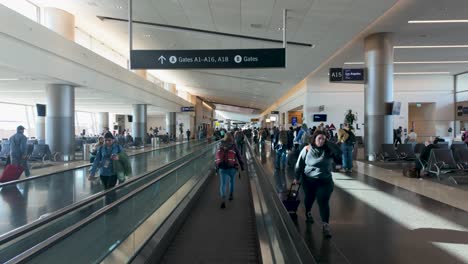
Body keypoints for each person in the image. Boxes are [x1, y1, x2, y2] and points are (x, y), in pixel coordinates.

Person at [293, 130, 341, 238]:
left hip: (325, 181)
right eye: (319, 138)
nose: (321, 141)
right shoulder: (307, 149)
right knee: (309, 198)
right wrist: (296, 177)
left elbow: (339, 155)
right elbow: (299, 164)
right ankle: (308, 212)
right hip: (309, 180)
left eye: (323, 139)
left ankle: (325, 225)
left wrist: (329, 144)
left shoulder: (329, 150)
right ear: (314, 138)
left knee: (323, 201)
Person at [215, 133, 244, 209]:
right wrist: (242, 166)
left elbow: (217, 156)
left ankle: (223, 199)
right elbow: (239, 156)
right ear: (232, 138)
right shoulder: (234, 146)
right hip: (232, 167)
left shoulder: (220, 145)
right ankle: (231, 195)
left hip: (222, 167)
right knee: (232, 181)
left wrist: (216, 167)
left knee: (223, 184)